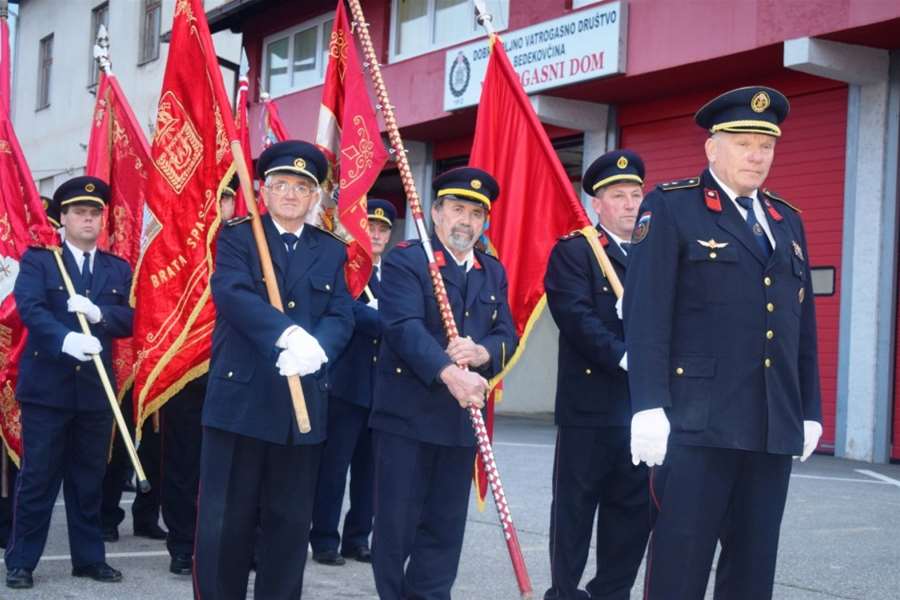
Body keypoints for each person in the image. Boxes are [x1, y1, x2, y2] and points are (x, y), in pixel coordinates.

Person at [624, 86, 822, 600]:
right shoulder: (672, 208)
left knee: (753, 570)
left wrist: (808, 408)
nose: (757, 157)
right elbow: (647, 315)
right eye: (744, 143)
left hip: (769, 426)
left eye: (766, 146)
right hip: (696, 425)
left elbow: (802, 325)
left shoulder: (787, 220)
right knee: (679, 567)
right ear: (713, 147)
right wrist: (648, 405)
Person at [193, 141, 354, 599]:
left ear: (314, 197)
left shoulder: (330, 249)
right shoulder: (239, 236)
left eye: (301, 187)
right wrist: (287, 336)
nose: (289, 193)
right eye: (280, 184)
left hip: (299, 411)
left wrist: (318, 348)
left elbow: (342, 314)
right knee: (227, 526)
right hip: (240, 404)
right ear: (262, 190)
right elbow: (232, 293)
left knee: (288, 529)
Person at [369, 167, 518, 599]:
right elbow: (402, 327)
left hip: (459, 423)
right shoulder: (408, 260)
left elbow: (507, 332)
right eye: (457, 209)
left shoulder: (492, 271)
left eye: (476, 213)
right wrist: (450, 372)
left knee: (444, 527)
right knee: (396, 528)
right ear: (435, 213)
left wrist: (483, 353)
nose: (466, 221)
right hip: (408, 419)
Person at [6, 176, 133, 588]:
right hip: (48, 390)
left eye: (95, 213)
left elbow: (130, 319)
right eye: (79, 212)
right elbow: (30, 307)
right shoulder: (40, 261)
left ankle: (89, 558)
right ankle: (21, 561)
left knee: (87, 478)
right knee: (39, 478)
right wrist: (65, 338)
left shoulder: (117, 267)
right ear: (63, 218)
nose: (88, 220)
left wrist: (99, 316)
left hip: (95, 393)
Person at [543, 150, 650, 600]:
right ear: (597, 205)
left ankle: (612, 591)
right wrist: (626, 355)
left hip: (642, 409)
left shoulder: (656, 252)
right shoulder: (577, 251)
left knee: (633, 511)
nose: (629, 203)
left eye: (636, 194)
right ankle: (564, 592)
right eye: (618, 196)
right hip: (589, 407)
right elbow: (576, 317)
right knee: (575, 509)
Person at [160, 173, 239, 576]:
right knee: (183, 461)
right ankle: (182, 543)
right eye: (213, 197)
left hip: (236, 370)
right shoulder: (180, 245)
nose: (219, 206)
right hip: (186, 370)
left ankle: (235, 542)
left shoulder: (246, 242)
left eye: (227, 198)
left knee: (235, 467)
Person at [310, 198, 396, 566]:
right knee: (333, 469)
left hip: (383, 390)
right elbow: (346, 312)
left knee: (371, 474)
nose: (376, 234)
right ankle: (325, 538)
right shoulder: (345, 269)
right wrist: (382, 318)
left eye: (382, 229)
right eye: (370, 227)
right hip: (346, 385)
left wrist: (385, 317)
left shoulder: (395, 275)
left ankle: (358, 537)